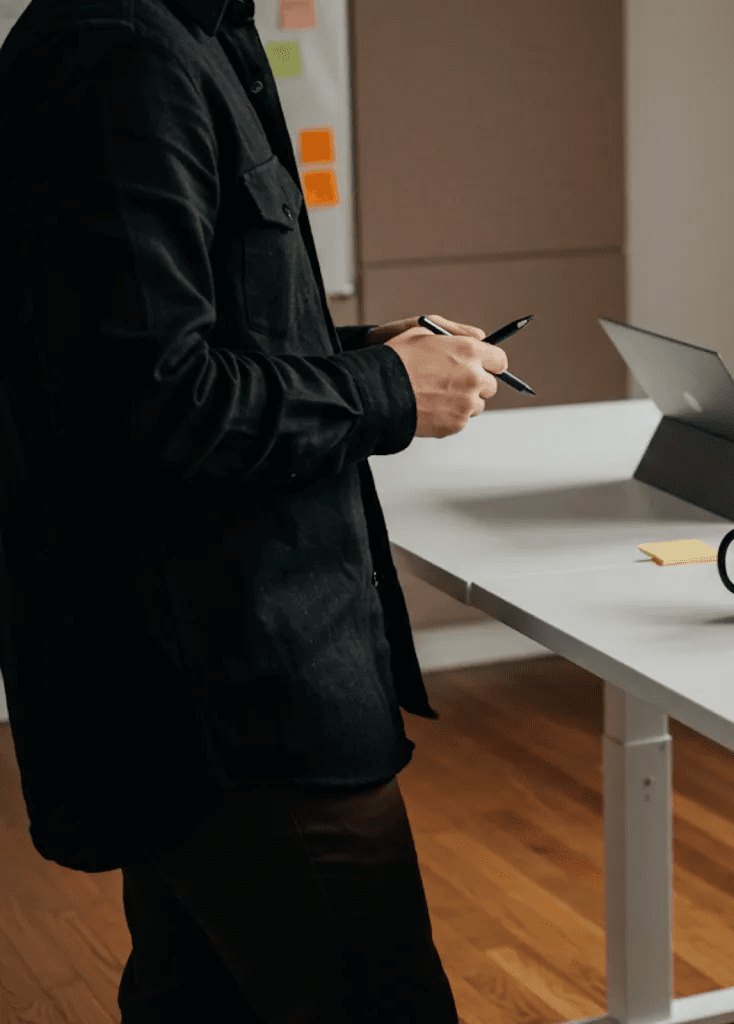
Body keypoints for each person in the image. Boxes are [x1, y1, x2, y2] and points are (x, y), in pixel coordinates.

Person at [0, 0, 507, 1019]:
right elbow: (151, 405)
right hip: (232, 697)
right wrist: (388, 390)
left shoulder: (177, 36)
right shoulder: (123, 56)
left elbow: (175, 329)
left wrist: (366, 350)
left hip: (205, 680)